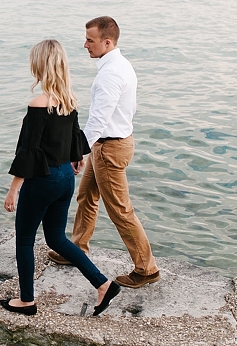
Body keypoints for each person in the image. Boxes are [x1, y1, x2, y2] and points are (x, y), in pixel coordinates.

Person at [2, 39, 121, 317]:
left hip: (42, 180)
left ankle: (27, 301)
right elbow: (76, 142)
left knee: (24, 240)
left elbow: (28, 152)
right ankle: (103, 284)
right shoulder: (69, 101)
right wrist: (76, 162)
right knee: (56, 238)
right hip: (66, 178)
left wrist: (13, 190)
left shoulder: (39, 104)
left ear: (40, 65)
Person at [47, 17, 160, 289]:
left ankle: (146, 268)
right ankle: (77, 249)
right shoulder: (120, 65)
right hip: (110, 143)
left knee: (120, 210)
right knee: (86, 196)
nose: (85, 44)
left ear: (106, 42)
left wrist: (77, 150)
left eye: (90, 40)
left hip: (109, 147)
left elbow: (98, 119)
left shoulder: (111, 74)